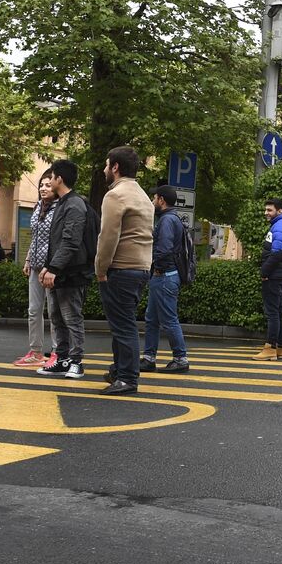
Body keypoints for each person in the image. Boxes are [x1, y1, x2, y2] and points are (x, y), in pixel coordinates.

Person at [94, 146, 153, 395]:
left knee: (123, 325)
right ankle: (118, 370)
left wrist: (100, 268)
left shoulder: (115, 195)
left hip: (121, 267)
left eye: (107, 165)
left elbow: (108, 237)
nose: (105, 169)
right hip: (141, 267)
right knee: (123, 322)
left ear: (116, 167)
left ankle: (127, 377)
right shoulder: (143, 195)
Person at [37, 160, 100, 379]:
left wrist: (53, 268)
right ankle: (62, 360)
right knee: (57, 318)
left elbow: (71, 241)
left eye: (52, 177)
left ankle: (76, 362)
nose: (49, 181)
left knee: (72, 318)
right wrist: (48, 267)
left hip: (73, 273)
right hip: (60, 271)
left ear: (59, 179)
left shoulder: (74, 205)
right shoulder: (62, 203)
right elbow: (56, 241)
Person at [142, 185, 190, 373]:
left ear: (161, 200)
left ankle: (180, 358)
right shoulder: (172, 218)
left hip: (164, 276)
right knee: (152, 318)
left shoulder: (167, 220)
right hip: (164, 276)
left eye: (154, 198)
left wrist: (158, 268)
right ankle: (148, 358)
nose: (153, 201)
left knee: (169, 319)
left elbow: (164, 249)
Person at [14, 172, 57, 368]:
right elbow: (35, 236)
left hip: (50, 268)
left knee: (54, 311)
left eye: (48, 185)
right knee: (34, 310)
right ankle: (36, 352)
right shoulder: (38, 206)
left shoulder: (59, 208)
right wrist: (29, 259)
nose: (43, 188)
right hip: (35, 266)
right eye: (41, 185)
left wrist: (53, 266)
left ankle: (57, 351)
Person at [252, 198, 282, 361]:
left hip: (274, 275)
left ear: (280, 211)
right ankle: (281, 348)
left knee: (272, 313)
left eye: (269, 210)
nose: (266, 213)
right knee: (279, 312)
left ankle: (270, 348)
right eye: (266, 210)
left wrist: (264, 272)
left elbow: (276, 254)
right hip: (281, 274)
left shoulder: (280, 227)